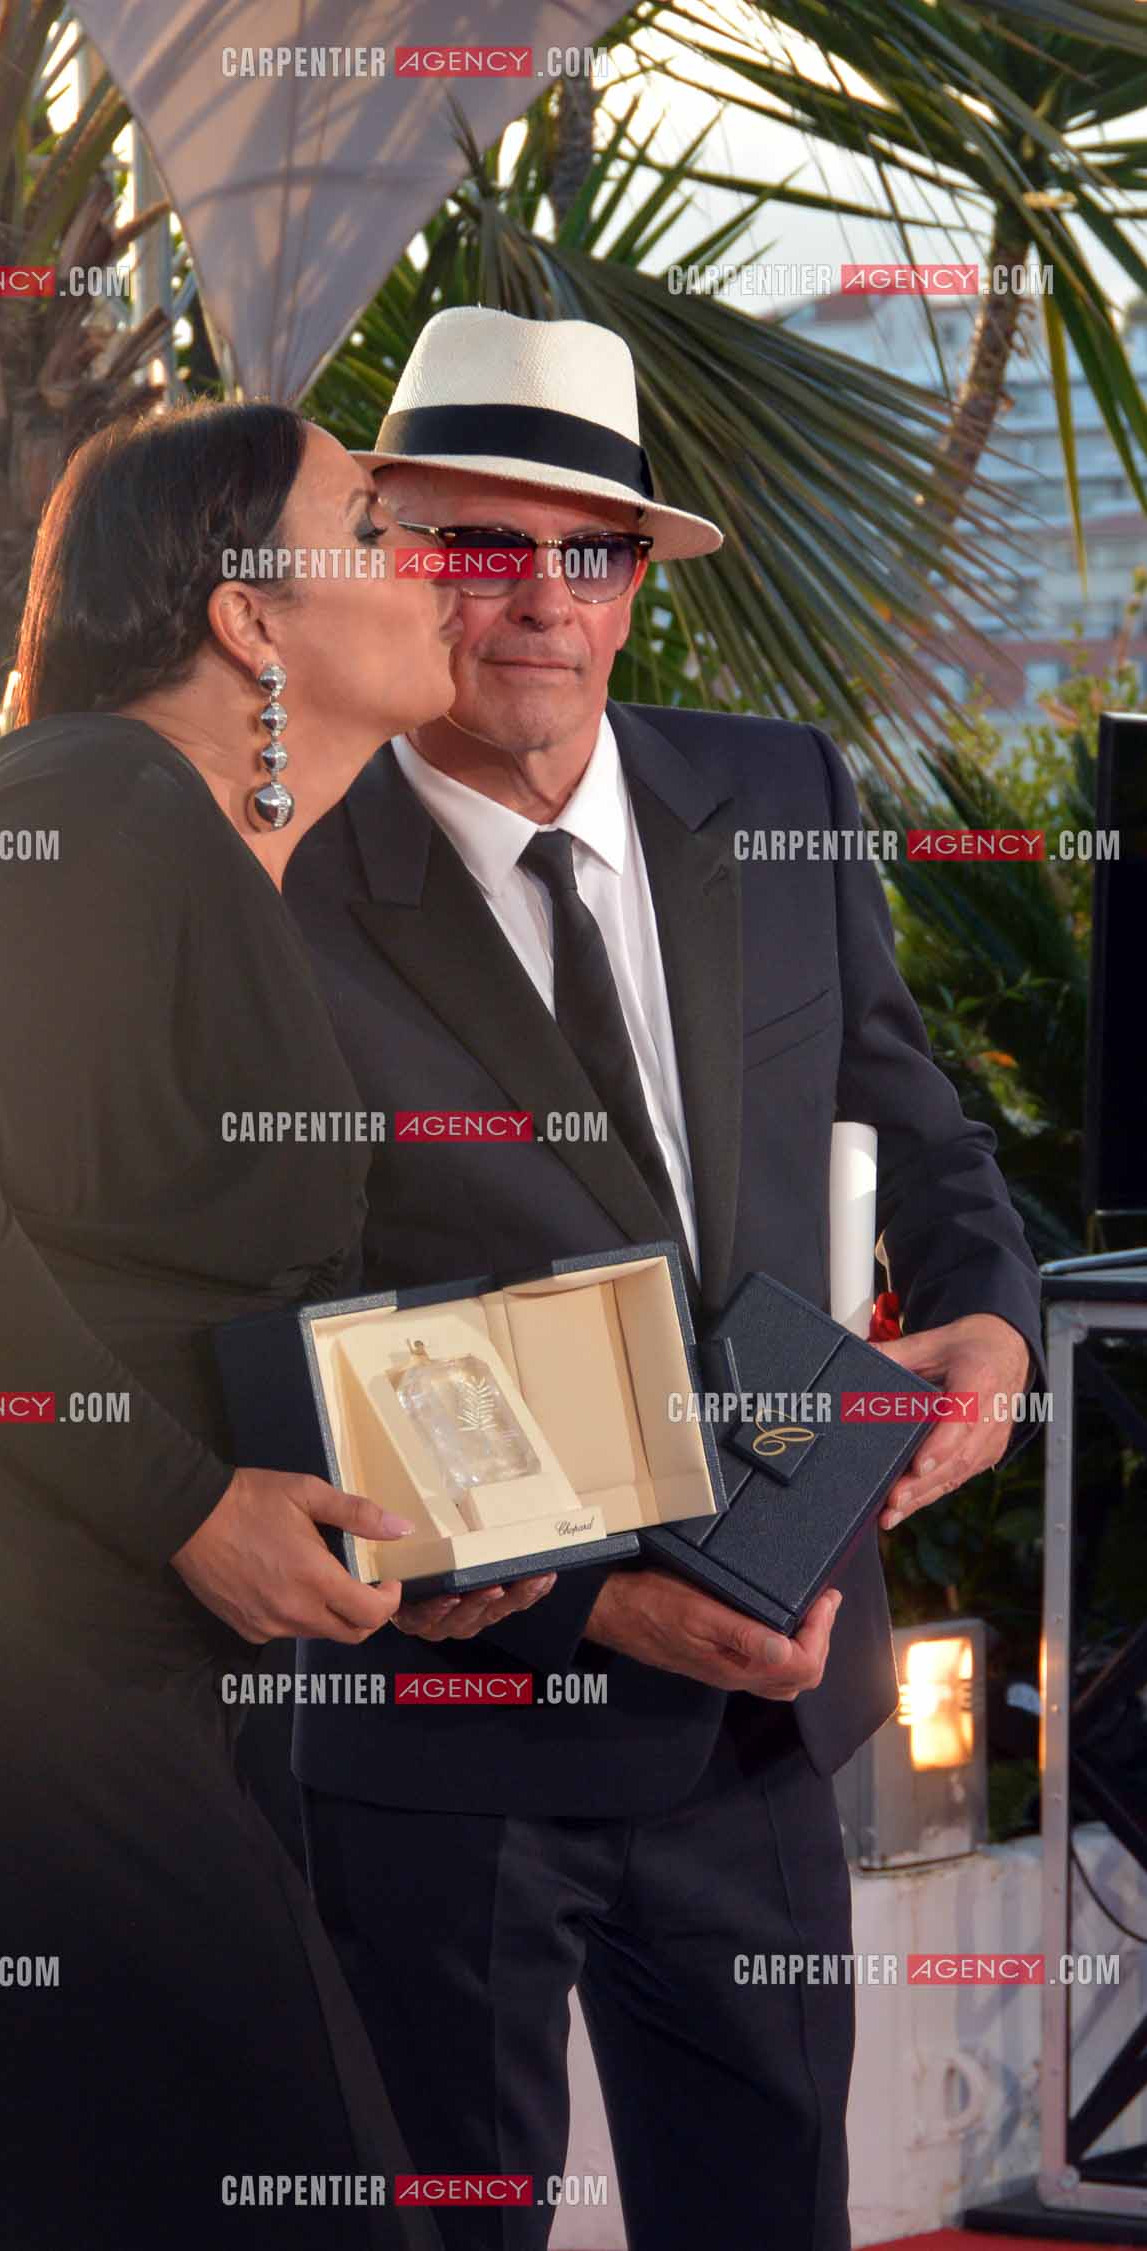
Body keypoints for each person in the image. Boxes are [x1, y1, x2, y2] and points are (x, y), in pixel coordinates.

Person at [281, 307, 1044, 2251]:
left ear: (633, 588)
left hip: (770, 1732)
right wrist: (608, 1587)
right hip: (453, 1751)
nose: (539, 598)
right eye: (478, 544)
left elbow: (917, 1121)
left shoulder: (776, 791)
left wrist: (987, 1324)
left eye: (590, 549)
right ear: (391, 554)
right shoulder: (274, 872)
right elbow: (280, 1329)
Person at [0, 400, 464, 2249]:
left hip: (33, 1654)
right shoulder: (99, 796)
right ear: (248, 621)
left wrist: (406, 1538)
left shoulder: (190, 850)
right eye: (376, 523)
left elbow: (147, 1283)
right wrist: (192, 1508)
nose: (436, 561)